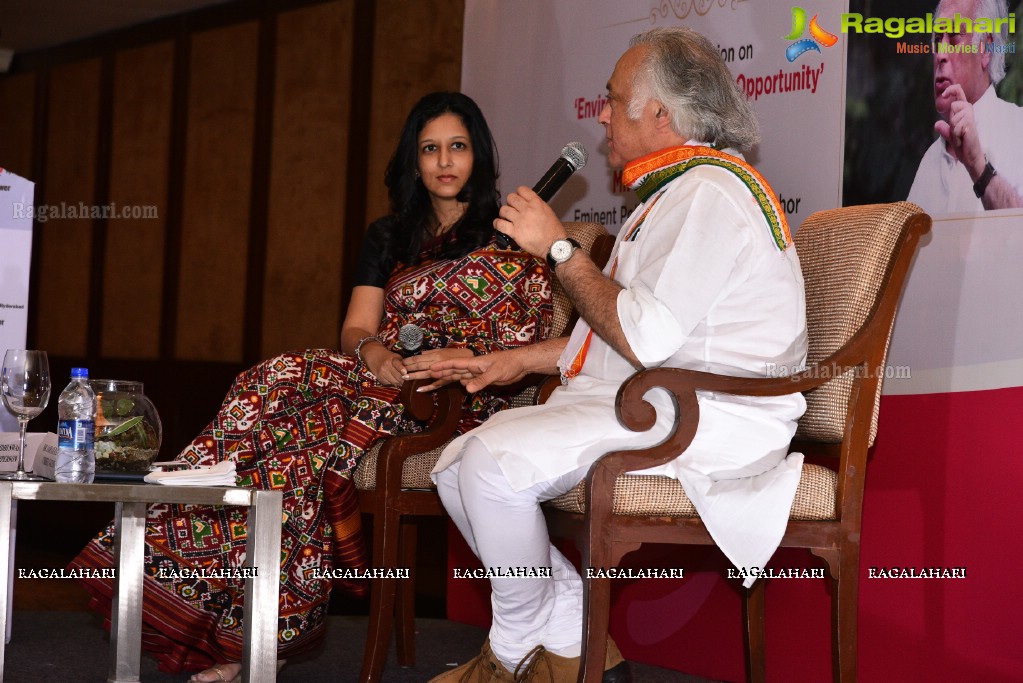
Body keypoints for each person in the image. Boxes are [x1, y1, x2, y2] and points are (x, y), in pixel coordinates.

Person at [68, 91, 554, 683]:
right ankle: (242, 635)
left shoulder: (507, 235)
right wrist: (373, 351)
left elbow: (518, 344)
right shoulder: (389, 235)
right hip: (376, 379)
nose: (444, 161)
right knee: (275, 416)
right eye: (430, 149)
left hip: (451, 396)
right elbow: (356, 327)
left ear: (478, 154)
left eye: (457, 146)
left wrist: (462, 358)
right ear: (413, 159)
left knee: (294, 421)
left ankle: (246, 638)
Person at [424, 27, 808, 682]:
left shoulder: (711, 194)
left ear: (658, 113)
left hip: (707, 419)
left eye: (612, 100)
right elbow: (623, 331)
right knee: (456, 463)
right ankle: (576, 632)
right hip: (661, 397)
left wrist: (559, 249)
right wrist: (517, 361)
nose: (599, 115)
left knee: (490, 463)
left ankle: (512, 653)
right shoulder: (678, 192)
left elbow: (645, 336)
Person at [907, 0, 1023, 212]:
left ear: (986, 49)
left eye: (953, 37)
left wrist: (977, 165)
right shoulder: (929, 162)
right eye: (936, 40)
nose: (940, 54)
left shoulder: (1018, 129)